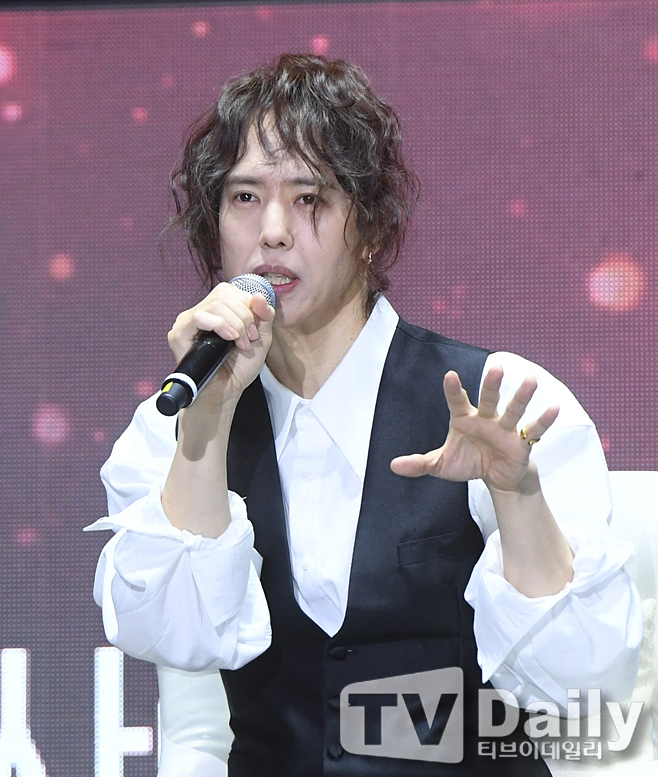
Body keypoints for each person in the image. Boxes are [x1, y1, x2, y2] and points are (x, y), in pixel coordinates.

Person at [88, 54, 642, 776]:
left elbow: (585, 690)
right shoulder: (181, 414)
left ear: (372, 227)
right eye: (245, 197)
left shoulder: (504, 400)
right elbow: (171, 636)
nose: (274, 231)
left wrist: (518, 495)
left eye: (310, 197)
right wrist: (206, 430)